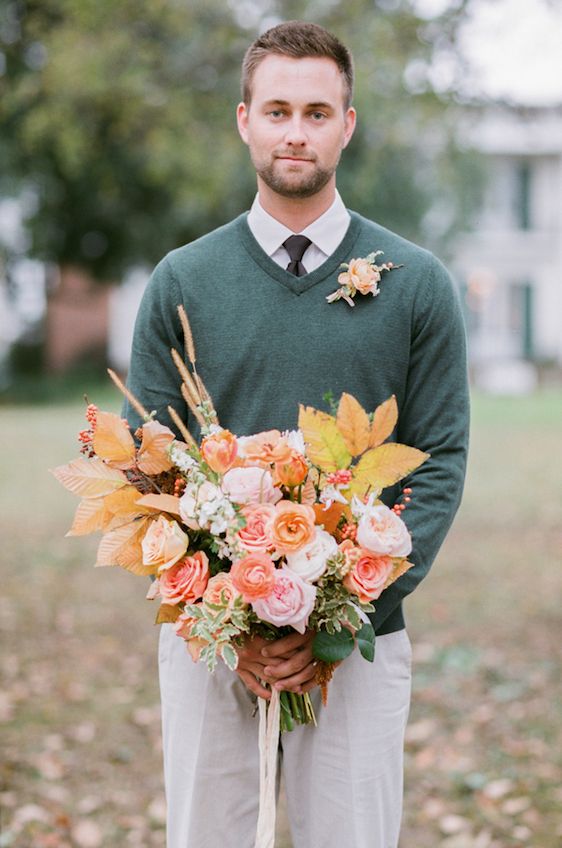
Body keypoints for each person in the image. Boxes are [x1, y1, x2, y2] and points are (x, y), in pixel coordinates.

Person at [124, 20, 469, 848]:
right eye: (278, 109)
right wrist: (228, 610)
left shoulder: (417, 285)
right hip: (210, 640)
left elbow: (440, 460)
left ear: (348, 124)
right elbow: (145, 467)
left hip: (359, 638)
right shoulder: (182, 279)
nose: (296, 131)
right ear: (244, 118)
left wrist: (338, 616)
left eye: (318, 112)